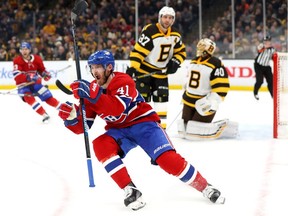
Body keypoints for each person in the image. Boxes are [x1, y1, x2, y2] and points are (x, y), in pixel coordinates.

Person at [58, 50, 225, 211]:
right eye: (92, 67)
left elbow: (116, 109)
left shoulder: (123, 81)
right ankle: (130, 190)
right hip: (119, 130)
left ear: (109, 67)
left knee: (167, 160)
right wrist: (73, 117)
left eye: (98, 67)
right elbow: (83, 128)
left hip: (144, 124)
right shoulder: (92, 90)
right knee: (100, 144)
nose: (94, 71)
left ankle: (205, 186)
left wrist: (93, 95)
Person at [126, 6, 186, 129]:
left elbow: (181, 52)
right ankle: (141, 128)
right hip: (144, 73)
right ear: (160, 18)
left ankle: (160, 130)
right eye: (165, 17)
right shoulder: (150, 31)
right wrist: (133, 68)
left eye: (170, 18)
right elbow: (138, 52)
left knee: (162, 103)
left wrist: (175, 61)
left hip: (161, 75)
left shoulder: (175, 35)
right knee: (143, 103)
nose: (167, 20)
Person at [177, 38, 238, 140]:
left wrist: (211, 102)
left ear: (208, 49)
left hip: (203, 102)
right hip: (188, 100)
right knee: (184, 130)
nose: (199, 49)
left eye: (202, 47)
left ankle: (224, 127)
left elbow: (222, 88)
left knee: (195, 132)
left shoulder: (216, 63)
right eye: (199, 46)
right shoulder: (194, 61)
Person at [12, 42, 61, 123]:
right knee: (29, 99)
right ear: (20, 51)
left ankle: (63, 108)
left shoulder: (37, 59)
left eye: (26, 49)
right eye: (22, 49)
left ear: (30, 50)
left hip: (36, 84)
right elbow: (17, 76)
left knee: (47, 97)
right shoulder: (17, 61)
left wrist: (45, 75)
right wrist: (29, 77)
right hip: (23, 86)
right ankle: (44, 115)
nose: (24, 51)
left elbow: (42, 70)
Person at [253, 35, 276, 100]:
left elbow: (274, 57)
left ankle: (272, 95)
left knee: (271, 81)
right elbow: (259, 50)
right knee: (260, 81)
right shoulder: (261, 45)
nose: (266, 42)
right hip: (258, 65)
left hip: (267, 66)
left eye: (268, 41)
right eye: (265, 41)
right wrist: (265, 46)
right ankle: (255, 92)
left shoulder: (272, 49)